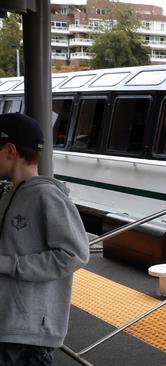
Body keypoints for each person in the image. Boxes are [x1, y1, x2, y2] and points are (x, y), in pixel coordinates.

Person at [0, 113, 89, 365]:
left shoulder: (47, 197)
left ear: (10, 150)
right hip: (9, 325)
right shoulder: (11, 194)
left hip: (27, 338)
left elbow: (73, 255)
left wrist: (7, 264)